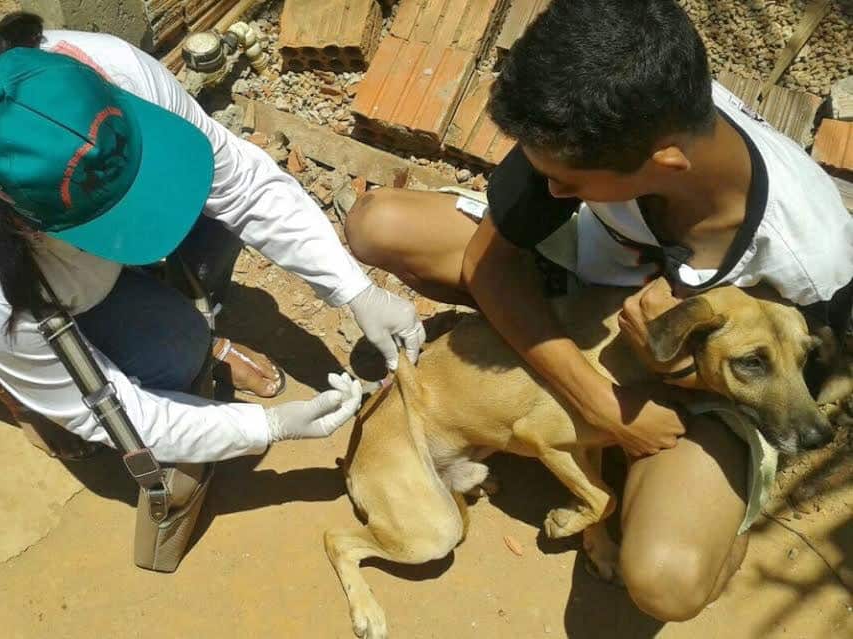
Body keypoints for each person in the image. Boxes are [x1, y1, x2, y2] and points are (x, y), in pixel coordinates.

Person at [345, 0, 852, 622]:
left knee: (666, 583)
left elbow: (795, 373)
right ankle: (566, 403)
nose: (551, 192)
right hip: (591, 278)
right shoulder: (607, 109)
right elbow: (491, 265)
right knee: (381, 225)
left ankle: (710, 512)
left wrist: (678, 373)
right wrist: (603, 404)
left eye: (569, 184)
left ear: (663, 166)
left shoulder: (811, 261)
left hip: (699, 375)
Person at [0, 13, 426, 464]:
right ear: (18, 216)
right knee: (173, 351)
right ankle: (14, 388)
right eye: (113, 219)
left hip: (53, 256)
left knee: (210, 230)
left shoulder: (107, 70)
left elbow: (246, 185)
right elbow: (105, 408)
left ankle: (143, 302)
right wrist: (267, 428)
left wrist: (356, 291)